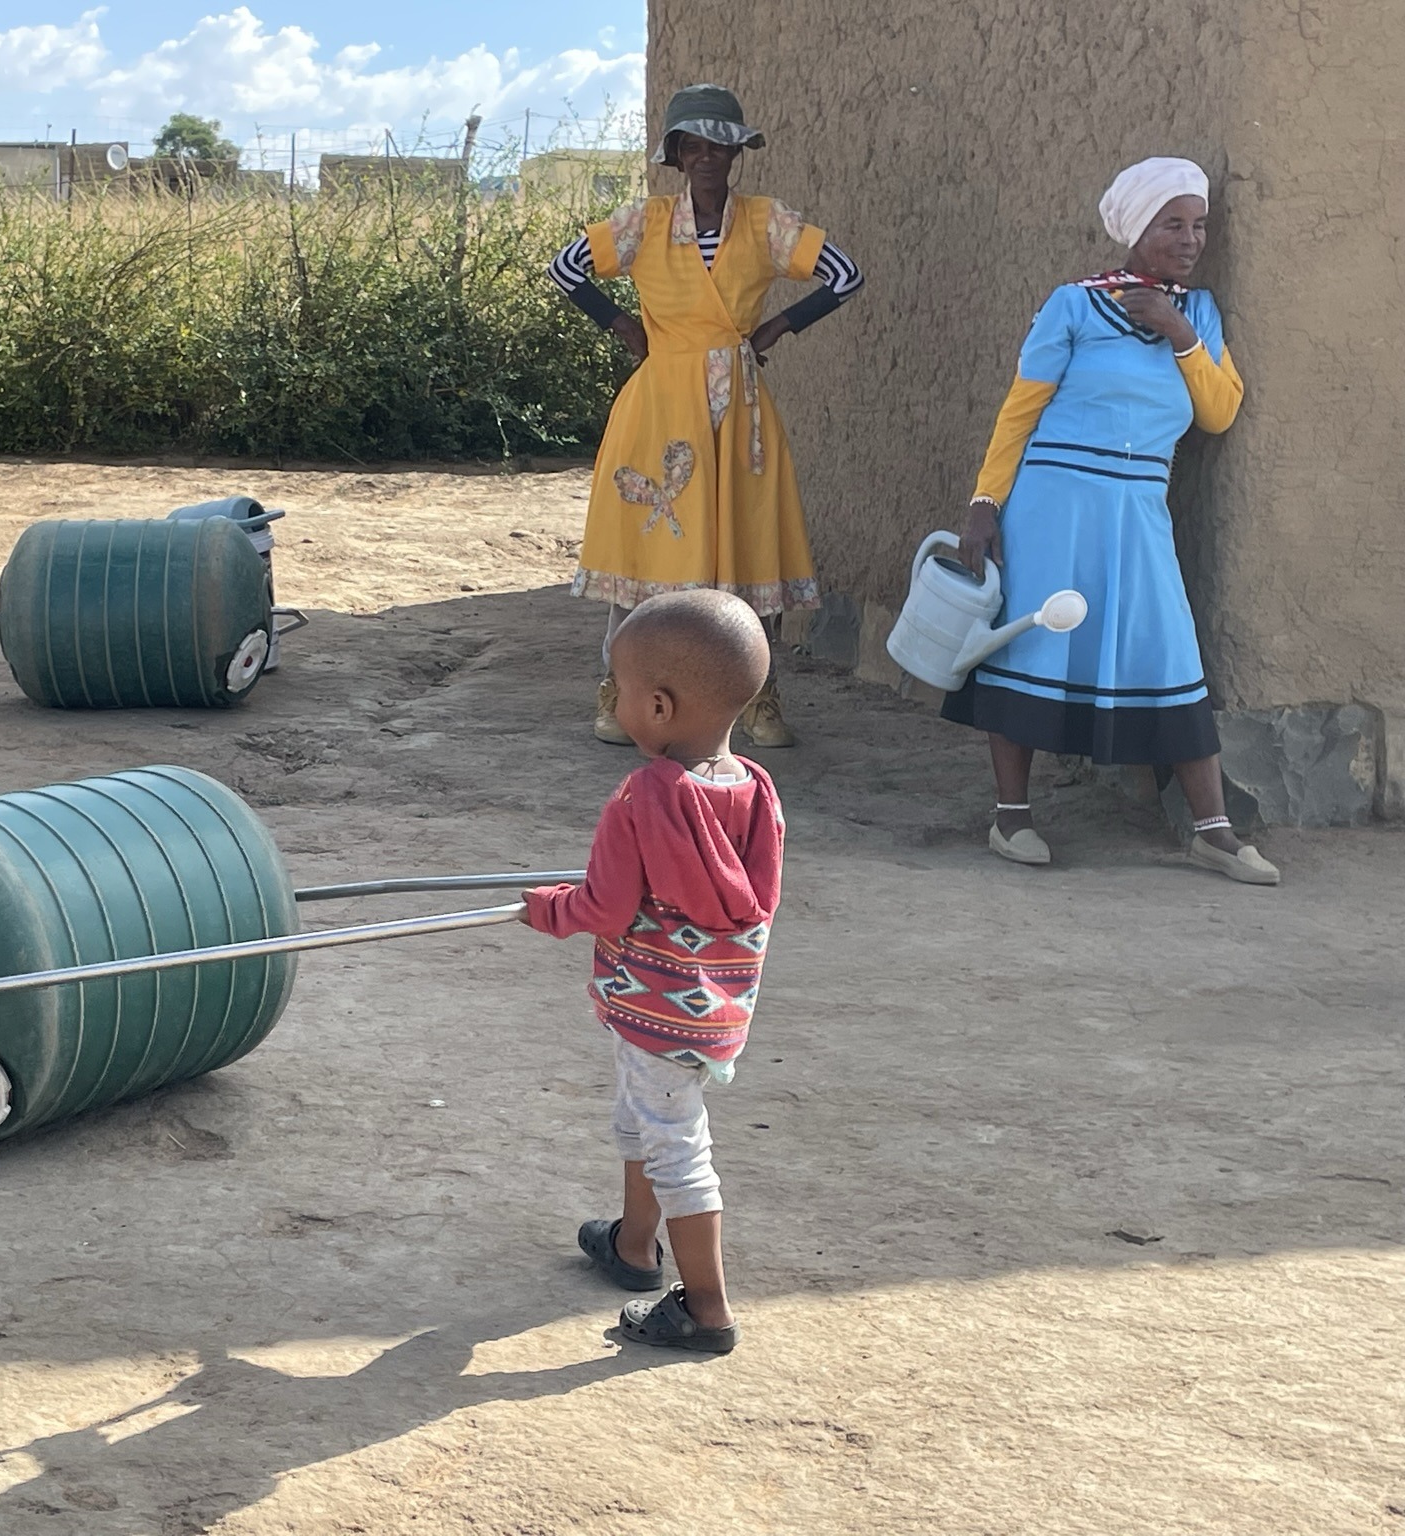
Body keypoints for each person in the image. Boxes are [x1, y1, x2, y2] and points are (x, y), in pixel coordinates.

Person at [942, 157, 1275, 885]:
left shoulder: (1201, 314)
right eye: (1172, 224)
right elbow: (1020, 410)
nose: (1190, 239)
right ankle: (1011, 815)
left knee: (1169, 650)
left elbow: (1218, 412)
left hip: (1137, 510)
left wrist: (1177, 330)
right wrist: (984, 503)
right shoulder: (1073, 305)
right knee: (1033, 645)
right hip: (1053, 504)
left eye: (1199, 225)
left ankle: (1213, 833)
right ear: (1135, 229)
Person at [549, 83, 862, 750]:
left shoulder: (766, 222)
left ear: (736, 151)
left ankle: (758, 698)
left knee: (750, 546)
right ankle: (622, 689)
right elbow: (565, 267)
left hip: (740, 409)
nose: (707, 156)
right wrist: (623, 324)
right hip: (661, 401)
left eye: (720, 143)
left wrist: (779, 325)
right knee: (651, 548)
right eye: (693, 144)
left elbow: (845, 275)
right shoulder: (646, 222)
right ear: (678, 154)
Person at [520, 590, 785, 1353]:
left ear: (660, 707)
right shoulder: (755, 791)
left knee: (674, 1145)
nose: (616, 704)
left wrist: (549, 909)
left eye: (620, 693)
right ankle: (634, 1247)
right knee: (641, 1121)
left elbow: (603, 908)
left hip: (652, 1010)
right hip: (712, 1007)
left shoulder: (641, 797)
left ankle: (707, 1308)